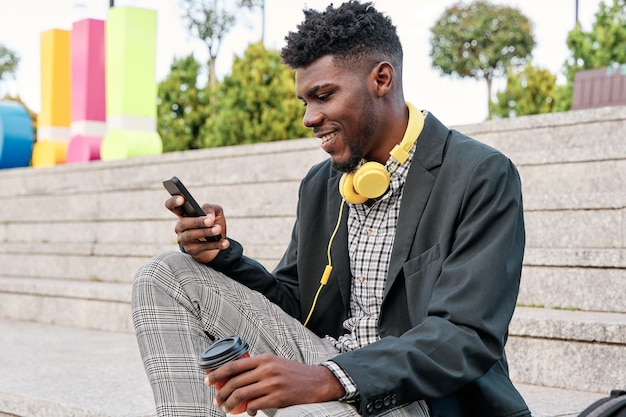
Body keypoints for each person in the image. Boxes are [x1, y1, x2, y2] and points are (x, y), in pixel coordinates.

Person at [131, 1, 530, 416]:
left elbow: (464, 336)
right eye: (305, 101)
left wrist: (330, 378)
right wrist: (225, 258)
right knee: (164, 276)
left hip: (419, 398)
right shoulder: (322, 185)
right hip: (328, 365)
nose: (309, 117)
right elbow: (296, 304)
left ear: (381, 79)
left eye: (322, 96)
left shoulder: (480, 174)